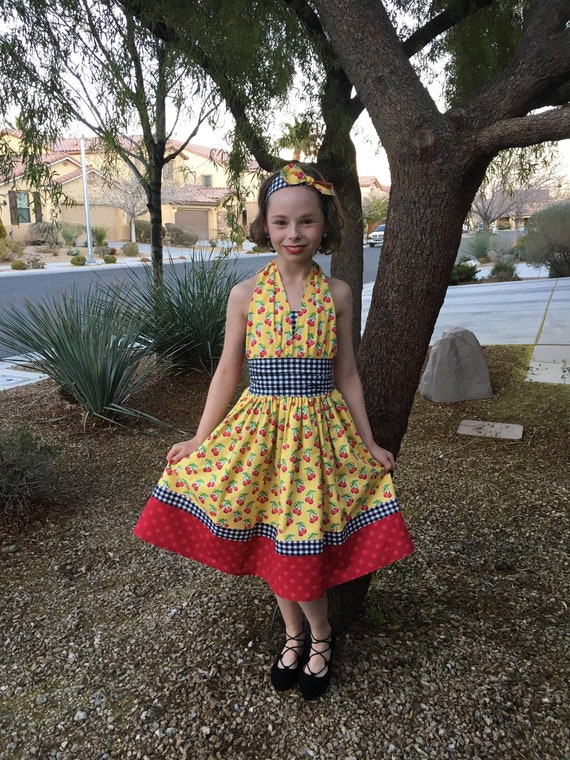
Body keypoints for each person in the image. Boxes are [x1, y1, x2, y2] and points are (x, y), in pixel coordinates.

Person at [134, 163, 414, 700]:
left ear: (324, 225)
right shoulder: (244, 294)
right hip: (260, 436)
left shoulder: (338, 294)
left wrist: (369, 441)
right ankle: (292, 635)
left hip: (316, 440)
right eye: (281, 222)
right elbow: (226, 372)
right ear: (264, 225)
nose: (293, 234)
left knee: (300, 544)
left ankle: (323, 636)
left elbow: (348, 374)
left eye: (306, 222)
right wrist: (199, 440)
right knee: (270, 542)